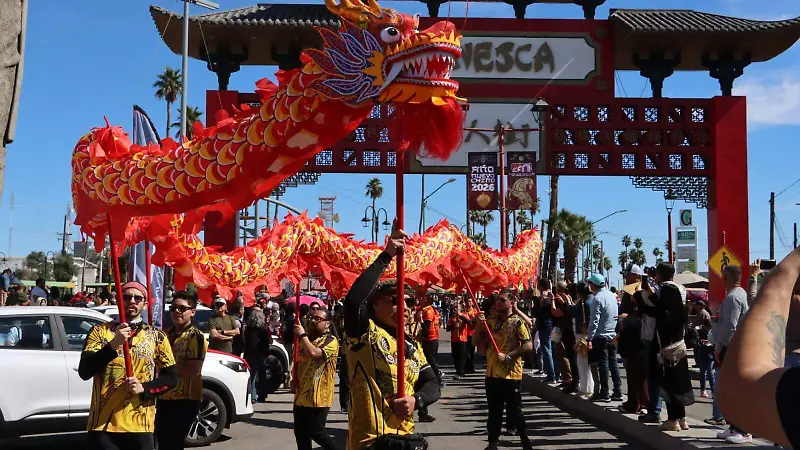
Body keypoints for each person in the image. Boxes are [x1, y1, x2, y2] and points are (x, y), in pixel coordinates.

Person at [342, 219, 441, 450]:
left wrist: (416, 400)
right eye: (396, 301)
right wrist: (386, 255)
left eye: (410, 302)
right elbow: (354, 302)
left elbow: (433, 383)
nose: (405, 307)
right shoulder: (364, 335)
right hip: (369, 442)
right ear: (375, 306)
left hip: (404, 440)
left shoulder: (412, 346)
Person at [78, 281, 177, 450]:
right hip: (103, 426)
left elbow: (172, 378)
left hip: (140, 426)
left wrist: (145, 389)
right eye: (126, 296)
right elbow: (85, 371)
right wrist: (113, 345)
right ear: (118, 300)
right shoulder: (98, 331)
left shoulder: (157, 336)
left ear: (145, 304)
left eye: (137, 298)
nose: (132, 300)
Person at [717, 248, 800, 448]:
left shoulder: (790, 301)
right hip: (786, 355)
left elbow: (739, 390)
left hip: (783, 354)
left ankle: (745, 432)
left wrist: (779, 278)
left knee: (775, 406)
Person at [474, 290, 533, 450]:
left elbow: (528, 345)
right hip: (492, 374)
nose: (498, 303)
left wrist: (509, 356)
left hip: (510, 374)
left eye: (502, 300)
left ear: (512, 303)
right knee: (494, 412)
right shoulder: (490, 321)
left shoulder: (517, 322)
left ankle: (524, 440)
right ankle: (492, 443)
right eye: (497, 300)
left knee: (515, 411)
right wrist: (479, 325)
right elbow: (476, 343)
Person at [640, 263, 694, 432]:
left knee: (669, 382)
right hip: (680, 342)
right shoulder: (680, 293)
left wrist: (645, 294)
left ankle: (673, 420)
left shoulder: (663, 290)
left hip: (666, 345)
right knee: (680, 381)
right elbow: (663, 308)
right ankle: (682, 418)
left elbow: (657, 311)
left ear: (659, 275)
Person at [156, 291, 206, 450]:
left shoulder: (195, 336)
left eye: (182, 308)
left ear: (192, 312)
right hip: (164, 397)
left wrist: (166, 372)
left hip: (185, 400)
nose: (177, 311)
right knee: (162, 442)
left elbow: (192, 369)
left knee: (173, 443)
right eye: (174, 308)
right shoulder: (166, 334)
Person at [711, 265, 752, 443]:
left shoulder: (733, 298)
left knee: (729, 389)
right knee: (728, 390)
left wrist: (719, 347)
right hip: (735, 348)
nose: (722, 279)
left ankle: (743, 431)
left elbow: (730, 327)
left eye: (723, 276)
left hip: (731, 349)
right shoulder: (739, 295)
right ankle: (734, 427)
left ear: (727, 278)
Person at [292, 305, 340, 450]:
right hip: (301, 396)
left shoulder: (331, 341)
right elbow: (299, 360)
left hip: (318, 397)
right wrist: (293, 378)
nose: (313, 321)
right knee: (300, 434)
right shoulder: (306, 339)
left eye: (318, 318)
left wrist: (302, 335)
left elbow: (315, 354)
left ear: (327, 324)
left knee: (316, 431)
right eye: (311, 318)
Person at [586, 274, 622, 402]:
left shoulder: (597, 299)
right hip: (612, 334)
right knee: (613, 363)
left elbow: (594, 320)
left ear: (593, 285)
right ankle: (617, 391)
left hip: (600, 336)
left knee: (603, 364)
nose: (589, 286)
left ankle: (605, 393)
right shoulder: (612, 296)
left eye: (590, 283)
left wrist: (589, 338)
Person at [617, 265, 648, 414]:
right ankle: (633, 403)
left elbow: (644, 319)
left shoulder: (642, 293)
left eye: (628, 275)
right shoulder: (628, 293)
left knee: (639, 375)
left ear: (636, 277)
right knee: (632, 374)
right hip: (628, 340)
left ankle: (642, 404)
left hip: (639, 341)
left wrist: (627, 318)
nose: (625, 277)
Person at [243, 306, 272, 403]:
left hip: (250, 354)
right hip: (261, 354)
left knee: (252, 376)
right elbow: (268, 342)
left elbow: (246, 342)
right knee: (262, 375)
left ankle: (252, 396)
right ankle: (262, 395)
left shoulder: (248, 329)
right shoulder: (264, 330)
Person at [532, 278, 557, 382]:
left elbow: (536, 312)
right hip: (551, 326)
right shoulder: (552, 297)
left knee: (546, 350)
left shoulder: (543, 299)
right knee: (551, 350)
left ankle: (551, 375)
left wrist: (537, 303)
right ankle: (555, 374)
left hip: (544, 326)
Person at [448, 298, 471, 379]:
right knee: (455, 356)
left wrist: (460, 315)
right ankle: (457, 371)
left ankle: (461, 372)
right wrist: (453, 326)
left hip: (462, 339)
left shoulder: (464, 315)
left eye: (457, 308)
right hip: (454, 339)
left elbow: (469, 322)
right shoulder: (452, 317)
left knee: (462, 356)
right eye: (454, 308)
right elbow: (448, 328)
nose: (455, 309)